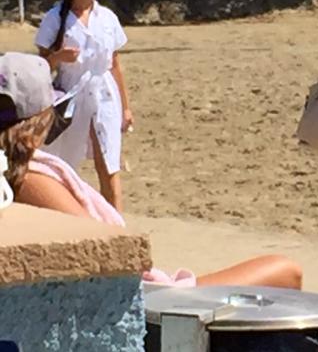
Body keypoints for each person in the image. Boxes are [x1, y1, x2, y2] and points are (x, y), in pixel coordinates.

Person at [0, 51, 302, 289]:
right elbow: (105, 252)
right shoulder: (29, 178)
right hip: (139, 298)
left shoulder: (14, 174)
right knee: (286, 271)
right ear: (41, 121)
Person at [35, 0, 132, 211]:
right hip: (70, 98)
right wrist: (58, 57)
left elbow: (115, 65)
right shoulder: (55, 18)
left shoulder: (107, 18)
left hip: (104, 96)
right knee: (64, 167)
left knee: (109, 165)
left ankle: (115, 226)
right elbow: (40, 67)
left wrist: (125, 108)